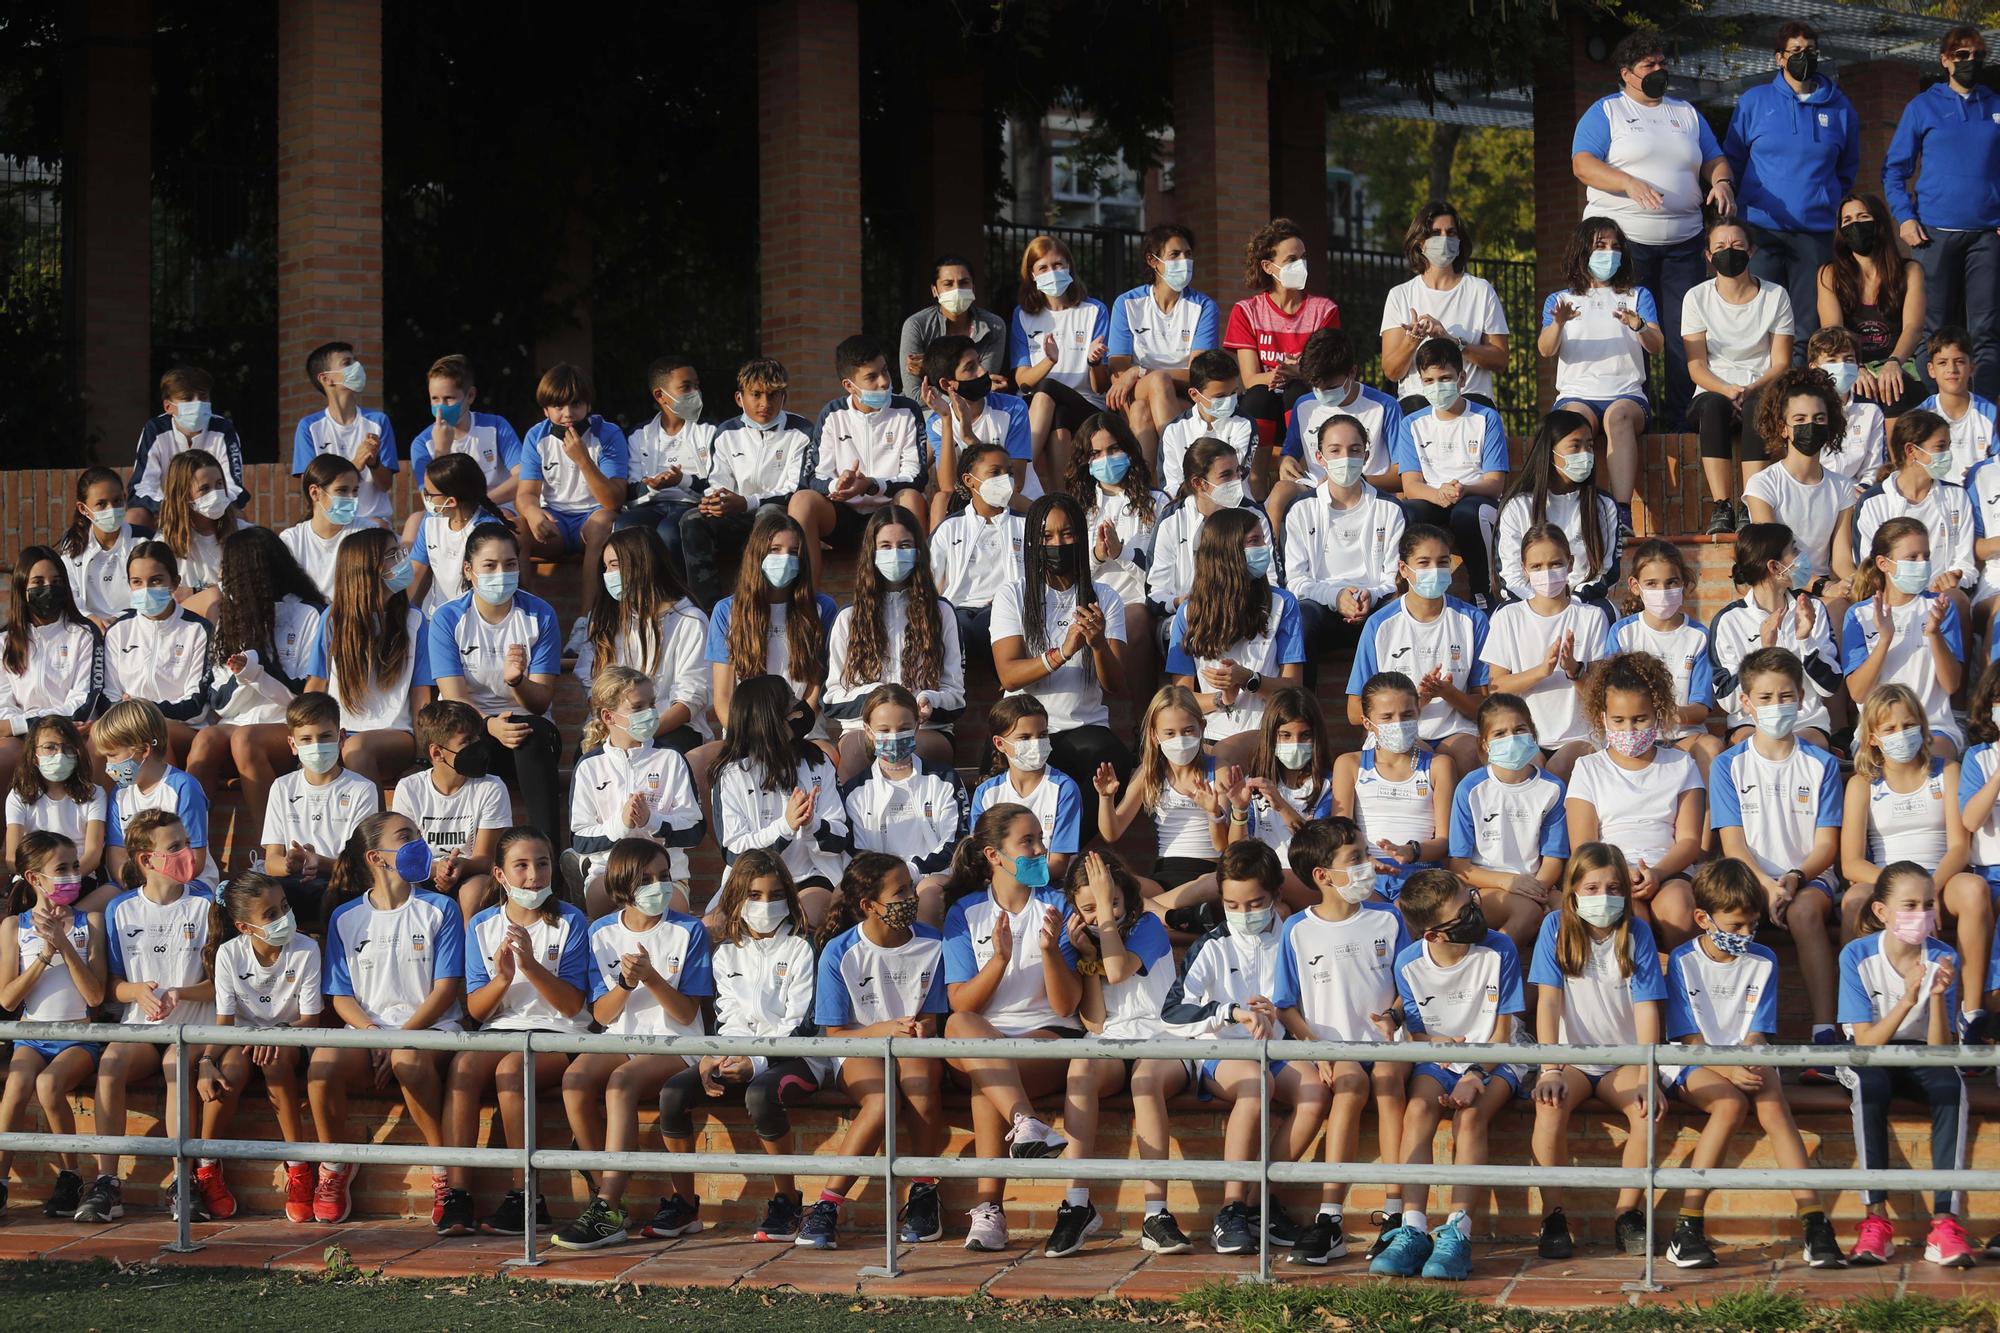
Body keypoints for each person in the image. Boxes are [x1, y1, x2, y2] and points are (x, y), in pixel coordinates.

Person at [1660, 858, 1845, 1270]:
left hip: (1745, 1057)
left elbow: (1758, 1032)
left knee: (1773, 1099)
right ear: (1702, 918)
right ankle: (1687, 1226)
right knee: (1729, 1103)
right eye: (1735, 926)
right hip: (1689, 1060)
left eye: (1752, 926)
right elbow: (1688, 1039)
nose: (1745, 935)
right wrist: (1730, 1069)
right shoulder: (1682, 962)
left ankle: (1815, 1223)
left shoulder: (1764, 960)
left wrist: (1749, 1062)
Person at [652, 850, 821, 1249]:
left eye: (776, 894)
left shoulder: (804, 945)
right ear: (736, 899)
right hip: (737, 1055)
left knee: (762, 1094)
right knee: (675, 1092)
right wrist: (715, 1057)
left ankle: (788, 1201)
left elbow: (803, 1025)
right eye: (755, 896)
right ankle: (684, 1204)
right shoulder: (726, 951)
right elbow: (724, 1018)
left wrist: (756, 1062)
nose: (766, 905)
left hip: (798, 1058)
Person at [1162, 839, 1323, 1255]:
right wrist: (1231, 1012)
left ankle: (1259, 1203)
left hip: (1281, 1049)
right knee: (1255, 1086)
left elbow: (1311, 998)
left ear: (1276, 897)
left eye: (1255, 904)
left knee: (1316, 1091)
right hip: (1226, 1055)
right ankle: (1231, 1209)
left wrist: (1284, 1013)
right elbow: (1173, 1012)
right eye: (1233, 904)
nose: (1244, 914)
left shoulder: (1297, 937)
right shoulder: (1210, 945)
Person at [1571, 29, 1737, 429]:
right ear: (1627, 73)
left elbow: (1715, 159)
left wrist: (1721, 182)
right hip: (1627, 245)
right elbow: (1582, 164)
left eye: (1662, 63)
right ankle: (1637, 417)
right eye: (1649, 65)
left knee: (1685, 337)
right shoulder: (1606, 111)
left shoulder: (1686, 113)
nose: (1659, 70)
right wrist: (1627, 182)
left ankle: (1682, 424)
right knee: (1635, 334)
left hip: (1684, 243)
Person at [309, 812, 463, 1231]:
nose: (419, 842)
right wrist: (373, 1034)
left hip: (430, 1030)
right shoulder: (345, 916)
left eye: (417, 834)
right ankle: (334, 1167)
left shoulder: (441, 908)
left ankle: (442, 1171)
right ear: (377, 857)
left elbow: (446, 990)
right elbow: (340, 996)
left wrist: (397, 1039)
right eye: (406, 836)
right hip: (369, 1033)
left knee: (408, 1060)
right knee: (323, 1063)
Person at [1371, 867, 1527, 1282]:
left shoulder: (1500, 950)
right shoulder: (1408, 962)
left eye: (1470, 897)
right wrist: (1433, 1044)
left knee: (1471, 1116)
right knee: (1418, 1110)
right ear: (1434, 935)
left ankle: (1458, 1231)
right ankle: (1413, 1228)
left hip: (1497, 1057)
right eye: (1464, 909)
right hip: (1440, 1062)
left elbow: (1504, 1034)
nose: (1475, 908)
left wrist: (1474, 1073)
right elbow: (1420, 1030)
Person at [556, 839, 712, 1247]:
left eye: (664, 876)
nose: (658, 886)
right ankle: (604, 1197)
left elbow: (684, 1014)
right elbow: (602, 1016)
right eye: (646, 880)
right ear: (623, 886)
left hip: (675, 1043)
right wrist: (626, 983)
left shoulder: (688, 929)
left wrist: (653, 978)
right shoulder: (601, 932)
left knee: (621, 1082)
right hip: (619, 1038)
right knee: (575, 1079)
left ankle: (606, 1206)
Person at [1270, 821, 1410, 1268]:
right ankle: (1330, 1218)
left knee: (1388, 1083)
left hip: (1391, 1047)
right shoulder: (1296, 929)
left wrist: (1393, 1013)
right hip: (1336, 1050)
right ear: (1322, 876)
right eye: (1355, 860)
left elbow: (1410, 983)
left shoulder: (1389, 917)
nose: (1367, 866)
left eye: (1366, 855)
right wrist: (1318, 1049)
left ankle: (1395, 1214)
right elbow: (1285, 1006)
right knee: (1348, 1089)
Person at [940, 804, 1079, 1253]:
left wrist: (1052, 950)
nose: (1041, 849)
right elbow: (961, 1002)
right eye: (1028, 842)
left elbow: (1066, 1004)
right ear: (994, 855)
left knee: (988, 1081)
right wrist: (998, 960)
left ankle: (990, 1212)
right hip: (983, 1039)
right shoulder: (964, 913)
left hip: (1048, 1034)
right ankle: (1026, 1123)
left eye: (1041, 838)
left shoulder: (1057, 905)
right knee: (962, 1025)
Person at [442, 826, 589, 1237]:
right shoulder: (483, 925)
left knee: (512, 1070)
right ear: (500, 875)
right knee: (464, 1067)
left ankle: (528, 1196)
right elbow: (476, 1008)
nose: (534, 876)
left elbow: (573, 1004)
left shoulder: (570, 921)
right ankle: (458, 1194)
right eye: (520, 866)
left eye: (541, 864)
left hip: (558, 1032)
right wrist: (503, 979)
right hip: (501, 1029)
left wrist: (531, 967)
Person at [1527, 842, 1670, 1260]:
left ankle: (1629, 1213)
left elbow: (1647, 1010)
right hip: (1570, 1059)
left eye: (1612, 887)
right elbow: (1549, 1003)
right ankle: (1553, 1216)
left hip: (1622, 1060)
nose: (1602, 897)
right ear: (1572, 890)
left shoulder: (1636, 931)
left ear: (1626, 891)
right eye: (1591, 888)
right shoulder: (1555, 927)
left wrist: (1647, 1075)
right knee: (1548, 1107)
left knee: (1646, 1109)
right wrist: (1549, 1067)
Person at [1048, 850, 1195, 1258]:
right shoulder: (1083, 940)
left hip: (1164, 1039)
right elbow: (1095, 1022)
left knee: (1145, 1082)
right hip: (1112, 1042)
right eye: (1090, 905)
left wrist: (1106, 928)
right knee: (1081, 1069)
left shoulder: (1147, 925)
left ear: (1128, 899)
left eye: (1111, 900)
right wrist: (1088, 961)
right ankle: (1077, 1203)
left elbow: (1118, 971)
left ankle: (1156, 1213)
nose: (1101, 913)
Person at [75, 809, 216, 1224]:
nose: (186, 853)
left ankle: (181, 1179)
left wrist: (180, 993)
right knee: (111, 1064)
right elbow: (113, 986)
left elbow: (219, 986)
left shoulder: (206, 905)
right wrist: (135, 991)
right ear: (145, 860)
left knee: (175, 1066)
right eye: (174, 848)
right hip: (139, 1025)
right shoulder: (121, 910)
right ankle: (107, 1183)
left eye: (186, 844)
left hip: (190, 1028)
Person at [1837, 861, 1976, 1268]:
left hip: (1920, 1051)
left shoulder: (1944, 955)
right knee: (1870, 1087)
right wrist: (1906, 998)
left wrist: (1934, 997)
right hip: (1871, 1053)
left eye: (1928, 905)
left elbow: (1939, 1050)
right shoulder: (1857, 955)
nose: (1922, 915)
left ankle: (1945, 1223)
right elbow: (1865, 1042)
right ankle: (1875, 1219)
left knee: (1951, 1089)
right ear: (1882, 911)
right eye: (1910, 905)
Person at [806, 853, 948, 1251]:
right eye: (899, 891)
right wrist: (882, 1031)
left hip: (914, 1048)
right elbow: (834, 1034)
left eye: (910, 887)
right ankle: (827, 1206)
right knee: (881, 1099)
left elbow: (936, 1016)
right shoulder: (840, 951)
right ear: (869, 906)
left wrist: (919, 1028)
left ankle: (923, 1193)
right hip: (858, 1051)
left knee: (919, 1080)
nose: (911, 897)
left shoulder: (934, 944)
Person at [1840, 684, 1992, 1027]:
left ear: (1923, 727)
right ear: (1873, 737)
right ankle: (1856, 1022)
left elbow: (1958, 846)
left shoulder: (1947, 770)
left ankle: (1970, 1013)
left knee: (1973, 890)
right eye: (1890, 729)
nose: (1901, 734)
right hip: (1885, 882)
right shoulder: (1863, 784)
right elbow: (1851, 862)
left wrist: (1928, 893)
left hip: (1943, 878)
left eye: (1908, 725)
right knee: (1853, 899)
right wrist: (1905, 895)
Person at [185, 527, 325, 859]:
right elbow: (219, 700)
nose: (223, 580)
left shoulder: (308, 614)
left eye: (230, 571)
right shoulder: (229, 619)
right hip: (238, 722)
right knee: (205, 740)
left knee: (244, 740)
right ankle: (191, 853)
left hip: (285, 724)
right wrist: (243, 671)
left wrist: (258, 670)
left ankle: (271, 855)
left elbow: (302, 698)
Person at [1722, 20, 1858, 352]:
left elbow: (1847, 169)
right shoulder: (1755, 102)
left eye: (1810, 50)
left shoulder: (1840, 108)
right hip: (1761, 231)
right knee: (1760, 316)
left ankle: (1801, 393)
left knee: (1807, 324)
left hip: (1815, 232)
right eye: (1796, 51)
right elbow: (1733, 159)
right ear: (1779, 58)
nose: (1804, 57)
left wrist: (1824, 199)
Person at [1883, 25, 2000, 402]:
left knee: (1985, 329)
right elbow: (1895, 168)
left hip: (1986, 235)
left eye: (1976, 56)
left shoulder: (1995, 105)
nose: (1970, 62)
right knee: (1931, 327)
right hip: (1933, 234)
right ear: (1945, 60)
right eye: (1961, 55)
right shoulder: (1922, 106)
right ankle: (1935, 406)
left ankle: (1983, 412)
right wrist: (1905, 217)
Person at [428, 522, 565, 843]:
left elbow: (541, 701)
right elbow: (454, 700)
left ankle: (550, 861)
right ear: (469, 570)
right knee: (462, 746)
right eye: (489, 565)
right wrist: (489, 725)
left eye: (510, 564)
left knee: (531, 736)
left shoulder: (540, 615)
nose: (500, 573)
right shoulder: (448, 618)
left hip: (529, 732)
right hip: (471, 731)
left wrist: (517, 682)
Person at [201, 872, 322, 1223]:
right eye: (270, 914)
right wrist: (207, 1060)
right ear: (244, 927)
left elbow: (310, 1021)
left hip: (292, 1038)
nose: (283, 917)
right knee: (229, 1074)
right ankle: (206, 1165)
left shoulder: (306, 949)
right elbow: (225, 1022)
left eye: (284, 906)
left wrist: (276, 1034)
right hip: (242, 1041)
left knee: (275, 1062)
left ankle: (298, 1167)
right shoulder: (229, 954)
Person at [992, 492, 1132, 794]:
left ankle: (1070, 843)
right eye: (1047, 535)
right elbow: (1009, 675)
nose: (1058, 544)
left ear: (1081, 538)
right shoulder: (1012, 595)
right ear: (1032, 542)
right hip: (1024, 728)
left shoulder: (1106, 597)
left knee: (1113, 762)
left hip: (1084, 727)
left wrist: (1098, 645)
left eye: (1068, 534)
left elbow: (1116, 684)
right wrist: (1063, 652)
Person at [1565, 652, 1705, 947]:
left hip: (1669, 871)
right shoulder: (1589, 768)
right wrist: (1619, 874)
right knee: (1629, 920)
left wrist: (1658, 872)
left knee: (1679, 911)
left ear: (1658, 714)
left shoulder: (1681, 764)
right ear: (1602, 718)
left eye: (1640, 719)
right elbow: (1583, 846)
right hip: (1609, 875)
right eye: (1618, 720)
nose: (1629, 730)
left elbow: (1690, 840)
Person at [0, 831, 105, 1222]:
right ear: (34, 879)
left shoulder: (90, 922)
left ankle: (71, 1173)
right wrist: (45, 954)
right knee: (17, 1084)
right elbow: (8, 999)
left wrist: (63, 943)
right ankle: (1, 1182)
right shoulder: (14, 927)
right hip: (32, 1035)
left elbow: (95, 996)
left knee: (48, 1084)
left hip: (78, 1036)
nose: (72, 875)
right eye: (61, 868)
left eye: (75, 866)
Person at [1538, 216, 1663, 525]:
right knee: (1573, 424)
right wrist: (1558, 323)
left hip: (1627, 396)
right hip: (1577, 394)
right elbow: (1545, 349)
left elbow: (1656, 344)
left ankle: (1622, 515)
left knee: (1617, 417)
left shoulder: (1637, 296)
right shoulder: (1560, 300)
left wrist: (1639, 325)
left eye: (1615, 246)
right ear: (1583, 251)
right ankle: (1572, 512)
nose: (1610, 253)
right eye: (1600, 245)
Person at [824, 505, 964, 779]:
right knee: (852, 752)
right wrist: (877, 696)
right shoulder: (848, 618)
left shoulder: (942, 613)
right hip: (865, 732)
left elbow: (957, 697)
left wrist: (927, 700)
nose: (895, 554)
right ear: (872, 553)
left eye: (905, 545)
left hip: (926, 731)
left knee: (915, 750)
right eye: (885, 546)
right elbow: (832, 698)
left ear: (918, 551)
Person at [1166, 507, 1305, 764]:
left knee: (1223, 757)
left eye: (1262, 540)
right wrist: (1222, 698)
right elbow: (1181, 700)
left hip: (1266, 729)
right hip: (1207, 731)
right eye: (1254, 542)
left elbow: (1294, 688)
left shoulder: (1283, 604)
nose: (1263, 548)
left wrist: (1249, 679)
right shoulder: (1189, 612)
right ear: (1227, 551)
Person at [1347, 525, 1489, 773]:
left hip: (1456, 732)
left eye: (1442, 562)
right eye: (1423, 563)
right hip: (1398, 734)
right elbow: (1353, 709)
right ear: (1404, 569)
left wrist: (1447, 693)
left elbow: (1486, 705)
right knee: (1414, 756)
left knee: (1470, 753)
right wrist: (1416, 701)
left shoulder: (1473, 620)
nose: (1434, 571)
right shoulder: (1380, 624)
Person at [1686, 220, 1797, 533]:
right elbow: (1696, 366)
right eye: (1720, 247)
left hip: (1761, 389)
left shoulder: (1776, 296)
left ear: (1752, 250)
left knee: (1756, 407)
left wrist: (1748, 389)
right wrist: (1726, 389)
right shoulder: (1696, 298)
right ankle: (1722, 507)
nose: (1728, 252)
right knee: (1713, 407)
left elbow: (1780, 363)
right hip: (1711, 392)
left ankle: (1751, 502)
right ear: (1708, 255)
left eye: (1736, 245)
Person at [790, 335, 930, 583]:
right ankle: (806, 604)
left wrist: (872, 484)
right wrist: (838, 485)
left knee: (912, 498)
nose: (884, 382)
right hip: (843, 517)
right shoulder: (832, 414)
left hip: (891, 513)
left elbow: (916, 477)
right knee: (802, 501)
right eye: (871, 377)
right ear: (849, 385)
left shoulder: (908, 409)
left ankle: (918, 592)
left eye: (885, 371)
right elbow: (812, 477)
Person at [700, 508, 838, 757]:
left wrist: (792, 730)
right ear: (758, 553)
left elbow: (816, 686)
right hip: (744, 732)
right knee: (697, 763)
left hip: (804, 729)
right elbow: (723, 696)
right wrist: (747, 736)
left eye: (793, 552)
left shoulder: (822, 608)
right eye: (775, 550)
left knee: (832, 757)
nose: (785, 559)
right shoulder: (726, 611)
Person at [568, 667, 706, 911]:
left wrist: (652, 821)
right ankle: (584, 877)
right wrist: (621, 824)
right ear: (609, 717)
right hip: (610, 873)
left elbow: (694, 830)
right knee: (612, 911)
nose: (651, 713)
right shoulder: (589, 766)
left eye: (652, 704)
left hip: (666, 876)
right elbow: (580, 839)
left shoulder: (671, 758)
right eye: (638, 707)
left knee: (669, 916)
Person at [1097, 684, 1248, 908]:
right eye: (1170, 733)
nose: (1180, 739)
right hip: (1163, 875)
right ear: (1154, 735)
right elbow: (1112, 832)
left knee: (1215, 883)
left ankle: (1148, 911)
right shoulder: (1149, 772)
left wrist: (1212, 812)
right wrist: (1106, 798)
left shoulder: (1219, 770)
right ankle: (1167, 915)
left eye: (1188, 730)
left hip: (1208, 874)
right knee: (1107, 880)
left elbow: (1226, 847)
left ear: (1202, 727)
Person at [680, 357, 813, 609]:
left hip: (776, 516)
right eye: (757, 394)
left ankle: (758, 603)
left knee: (768, 513)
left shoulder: (802, 431)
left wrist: (746, 502)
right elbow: (716, 480)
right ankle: (708, 611)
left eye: (774, 395)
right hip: (735, 515)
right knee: (692, 519)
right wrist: (715, 501)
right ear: (740, 398)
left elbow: (796, 489)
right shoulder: (726, 433)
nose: (766, 403)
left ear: (784, 397)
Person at [710, 676, 849, 916]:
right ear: (768, 719)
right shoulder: (731, 774)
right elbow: (735, 853)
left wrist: (811, 823)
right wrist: (785, 826)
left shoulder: (817, 761)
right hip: (751, 880)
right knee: (712, 928)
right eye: (791, 703)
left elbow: (840, 837)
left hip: (811, 875)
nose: (800, 708)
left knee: (810, 915)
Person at [1479, 524, 1609, 779]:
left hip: (1579, 736)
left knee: (1558, 769)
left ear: (1570, 564)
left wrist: (1574, 670)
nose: (1546, 573)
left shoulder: (1591, 617)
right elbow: (1495, 688)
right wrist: (1541, 671)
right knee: (1531, 769)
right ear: (1524, 568)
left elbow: (1600, 696)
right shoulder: (1508, 617)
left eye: (1555, 564)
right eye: (1537, 566)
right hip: (1524, 736)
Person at [304, 526, 432, 784]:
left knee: (356, 748)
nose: (402, 560)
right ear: (367, 568)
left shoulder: (416, 621)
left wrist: (421, 758)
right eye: (392, 554)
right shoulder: (332, 619)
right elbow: (317, 684)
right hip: (338, 732)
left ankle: (377, 826)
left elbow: (422, 698)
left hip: (397, 733)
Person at [1282, 412, 1405, 678]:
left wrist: (1368, 597)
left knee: (1401, 612)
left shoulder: (1390, 509)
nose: (1345, 458)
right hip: (1320, 608)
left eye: (1355, 449)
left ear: (1366, 455)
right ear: (1320, 457)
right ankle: (1304, 711)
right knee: (1300, 618)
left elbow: (1392, 579)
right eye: (1335, 451)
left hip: (1373, 607)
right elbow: (1296, 581)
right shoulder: (1301, 510)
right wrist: (1337, 598)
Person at [516, 363, 628, 649]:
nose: (567, 413)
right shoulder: (536, 436)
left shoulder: (608, 433)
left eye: (575, 404)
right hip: (555, 524)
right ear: (545, 410)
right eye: (557, 405)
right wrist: (532, 513)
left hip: (591, 518)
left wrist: (583, 460)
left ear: (588, 404)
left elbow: (614, 499)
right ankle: (525, 621)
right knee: (515, 529)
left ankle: (585, 624)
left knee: (603, 522)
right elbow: (526, 493)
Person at [1446, 693, 1567, 953]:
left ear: (1533, 733)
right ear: (1484, 743)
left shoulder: (1552, 788)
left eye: (1519, 729)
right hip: (1484, 888)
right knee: (1528, 912)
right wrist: (1508, 882)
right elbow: (1459, 866)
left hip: (1538, 886)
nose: (1511, 738)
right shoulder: (1470, 788)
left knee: (1572, 914)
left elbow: (1554, 858)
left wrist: (1538, 888)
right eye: (1500, 734)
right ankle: (1489, 965)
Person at [1392, 339, 1509, 604]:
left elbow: (1495, 483)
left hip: (1474, 498)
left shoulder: (1486, 418)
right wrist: (1438, 494)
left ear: (1462, 378)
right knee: (1406, 512)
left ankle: (1485, 593)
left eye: (1445, 378)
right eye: (1429, 380)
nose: (1437, 387)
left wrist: (1464, 489)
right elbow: (1411, 486)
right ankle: (1408, 593)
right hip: (1432, 497)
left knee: (1469, 514)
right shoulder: (1412, 423)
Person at [577, 527, 712, 754]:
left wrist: (642, 732)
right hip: (613, 729)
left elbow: (691, 697)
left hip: (672, 730)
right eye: (606, 566)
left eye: (616, 565)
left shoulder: (689, 620)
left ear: (643, 565)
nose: (609, 574)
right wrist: (619, 729)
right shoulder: (603, 619)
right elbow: (593, 684)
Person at [1707, 526, 1841, 750]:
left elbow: (1830, 686)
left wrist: (1805, 639)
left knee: (1805, 748)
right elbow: (1728, 701)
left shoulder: (1812, 608)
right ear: (1774, 566)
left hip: (1805, 721)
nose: (1801, 556)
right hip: (1750, 723)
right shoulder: (1729, 621)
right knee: (1752, 747)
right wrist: (1762, 650)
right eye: (1794, 550)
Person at [1842, 516, 1966, 757]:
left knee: (1927, 757)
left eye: (1926, 556)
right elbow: (1858, 692)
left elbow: (1951, 684)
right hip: (1878, 732)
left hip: (1934, 728)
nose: (1922, 563)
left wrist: (1934, 633)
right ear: (1883, 563)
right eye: (1912, 557)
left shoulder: (1941, 608)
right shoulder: (1859, 615)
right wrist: (1885, 640)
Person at [257, 692, 382, 925]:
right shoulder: (282, 787)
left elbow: (362, 868)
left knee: (331, 898)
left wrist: (319, 863)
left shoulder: (362, 789)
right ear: (292, 744)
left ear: (341, 738)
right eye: (306, 739)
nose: (317, 747)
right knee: (243, 895)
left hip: (339, 884)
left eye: (325, 737)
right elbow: (271, 861)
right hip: (292, 884)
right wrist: (287, 864)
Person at [1105, 222, 1222, 467]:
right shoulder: (1127, 304)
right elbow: (1117, 376)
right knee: (1157, 382)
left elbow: (1199, 375)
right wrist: (1145, 377)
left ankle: (1149, 491)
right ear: (1153, 261)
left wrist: (1140, 371)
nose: (1184, 261)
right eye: (1175, 254)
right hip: (1135, 390)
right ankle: (1181, 469)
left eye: (1188, 254)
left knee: (1141, 412)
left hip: (1183, 394)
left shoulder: (1204, 307)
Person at [1379, 202, 1511, 414]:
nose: (1444, 239)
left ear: (1460, 240)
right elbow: (1391, 371)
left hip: (1471, 401)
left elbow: (1501, 359)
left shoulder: (1480, 290)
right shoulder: (1400, 295)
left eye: (1451, 233)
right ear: (1420, 242)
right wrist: (1412, 340)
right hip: (1419, 403)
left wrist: (1453, 342)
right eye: (1435, 233)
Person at [840, 685, 966, 907]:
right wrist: (889, 879)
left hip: (933, 877)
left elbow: (956, 841)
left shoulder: (944, 780)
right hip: (877, 885)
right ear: (868, 731)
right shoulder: (855, 791)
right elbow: (856, 851)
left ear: (918, 726)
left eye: (903, 728)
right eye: (884, 730)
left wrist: (913, 871)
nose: (894, 737)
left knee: (929, 894)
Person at [1847, 413, 1976, 629]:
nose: (1948, 455)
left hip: (1943, 599)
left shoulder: (1957, 496)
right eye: (1940, 447)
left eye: (1948, 446)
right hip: (1890, 602)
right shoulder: (1873, 502)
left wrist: (1955, 579)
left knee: (1958, 600)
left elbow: (1966, 564)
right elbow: (1870, 568)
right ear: (1911, 451)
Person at [1334, 671, 1454, 901]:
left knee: (1406, 913)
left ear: (1418, 712)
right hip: (1365, 871)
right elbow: (1341, 834)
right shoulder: (1349, 764)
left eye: (1407, 714)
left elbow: (1444, 842)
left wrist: (1411, 851)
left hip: (1422, 874)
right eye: (1387, 717)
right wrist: (1363, 860)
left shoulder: (1440, 766)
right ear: (1367, 723)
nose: (1398, 724)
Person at [1743, 367, 1853, 614]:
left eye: (1819, 418)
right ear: (1783, 428)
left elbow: (1842, 559)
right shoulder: (1763, 484)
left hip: (1827, 589)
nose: (1811, 426)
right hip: (1779, 588)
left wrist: (1856, 583)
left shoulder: (1842, 486)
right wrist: (1822, 587)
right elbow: (1773, 557)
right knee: (1836, 611)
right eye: (1800, 419)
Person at [1225, 217, 1340, 451]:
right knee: (1258, 396)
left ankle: (1298, 464)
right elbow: (1249, 378)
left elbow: (1328, 371)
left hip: (1308, 402)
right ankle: (1255, 481)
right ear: (1268, 267)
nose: (1301, 264)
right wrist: (1281, 373)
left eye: (1303, 258)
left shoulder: (1324, 310)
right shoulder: (1246, 311)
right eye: (1291, 259)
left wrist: (1297, 373)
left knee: (1297, 391)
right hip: (1264, 403)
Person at [390, 699, 509, 923]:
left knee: (474, 891)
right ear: (437, 753)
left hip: (472, 875)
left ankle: (469, 956)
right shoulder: (410, 788)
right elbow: (405, 855)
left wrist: (460, 866)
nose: (478, 747)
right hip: (424, 873)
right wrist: (438, 870)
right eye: (467, 742)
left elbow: (486, 858)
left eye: (477, 739)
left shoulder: (491, 787)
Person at [1611, 540, 1722, 774]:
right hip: (1636, 736)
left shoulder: (1699, 636)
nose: (1662, 592)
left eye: (1671, 582)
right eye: (1652, 584)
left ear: (1684, 584)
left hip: (1684, 737)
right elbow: (1610, 693)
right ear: (1635, 585)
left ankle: (1708, 813)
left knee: (1712, 747)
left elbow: (1701, 708)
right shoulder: (1623, 633)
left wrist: (1667, 716)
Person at [0, 548, 105, 792]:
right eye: (38, 582)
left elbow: (82, 705)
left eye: (56, 582)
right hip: (22, 739)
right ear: (22, 588)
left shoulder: (85, 634)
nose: (48, 587)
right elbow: (4, 707)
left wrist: (21, 725)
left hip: (73, 733)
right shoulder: (5, 641)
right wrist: (24, 730)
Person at [1066, 414, 1168, 667]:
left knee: (1132, 621)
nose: (1106, 459)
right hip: (1088, 603)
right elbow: (1066, 573)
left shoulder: (1158, 503)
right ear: (1085, 460)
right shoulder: (1075, 508)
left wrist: (1122, 552)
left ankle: (1140, 706)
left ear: (1129, 450)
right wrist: (1097, 555)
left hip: (1137, 601)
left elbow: (1162, 573)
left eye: (1113, 449)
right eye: (1096, 453)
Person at [1011, 235, 1112, 486]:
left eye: (1058, 265)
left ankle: (1022, 470)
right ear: (1032, 275)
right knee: (1057, 413)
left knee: (1047, 389)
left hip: (1087, 404)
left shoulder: (1094, 310)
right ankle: (1062, 498)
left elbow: (1100, 387)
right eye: (1043, 268)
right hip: (1043, 408)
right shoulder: (1023, 316)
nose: (1052, 272)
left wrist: (1094, 362)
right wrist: (1049, 362)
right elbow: (1023, 382)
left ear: (1070, 268)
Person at [1495, 410, 1621, 608]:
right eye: (1575, 446)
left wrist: (1573, 602)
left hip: (1583, 606)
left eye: (1589, 446)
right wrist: (1542, 605)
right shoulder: (1517, 506)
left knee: (1607, 611)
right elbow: (1510, 577)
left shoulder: (1604, 506)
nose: (1585, 455)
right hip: (1529, 606)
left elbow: (1607, 572)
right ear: (1550, 451)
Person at [1816, 194, 1928, 416]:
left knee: (1896, 390)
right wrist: (1854, 368)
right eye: (1847, 221)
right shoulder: (1829, 274)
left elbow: (1913, 328)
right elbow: (1834, 333)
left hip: (1899, 362)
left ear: (1879, 223)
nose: (1855, 224)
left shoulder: (1910, 271)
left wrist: (1893, 362)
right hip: (1849, 365)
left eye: (1863, 216)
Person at [1145, 436, 1274, 618]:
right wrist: (1181, 602)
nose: (1237, 480)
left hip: (1247, 612)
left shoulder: (1254, 514)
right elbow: (1155, 595)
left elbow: (1273, 579)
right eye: (1226, 475)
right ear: (1198, 483)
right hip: (1188, 619)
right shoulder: (1171, 520)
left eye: (1238, 472)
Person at [105, 541, 213, 756]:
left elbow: (196, 708)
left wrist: (143, 710)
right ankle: (101, 792)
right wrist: (133, 716)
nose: (146, 590)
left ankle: (170, 790)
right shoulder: (118, 631)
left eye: (155, 581)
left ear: (175, 582)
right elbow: (109, 696)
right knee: (99, 741)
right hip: (125, 726)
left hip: (183, 729)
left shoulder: (198, 629)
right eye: (137, 582)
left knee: (152, 736)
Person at [93, 698, 215, 885]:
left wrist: (153, 890)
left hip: (188, 884)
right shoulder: (120, 794)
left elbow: (196, 859)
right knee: (96, 910)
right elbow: (116, 855)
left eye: (113, 755)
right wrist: (135, 889)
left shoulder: (183, 787)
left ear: (144, 750)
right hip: (136, 886)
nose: (109, 766)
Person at [919, 333, 1036, 528]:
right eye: (970, 368)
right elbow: (948, 487)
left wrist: (969, 438)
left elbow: (1015, 482)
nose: (983, 372)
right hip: (973, 504)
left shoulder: (1013, 408)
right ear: (947, 384)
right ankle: (935, 558)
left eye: (979, 362)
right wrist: (947, 420)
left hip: (1015, 502)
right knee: (940, 500)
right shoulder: (937, 423)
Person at [972, 695, 1084, 898]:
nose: (1036, 743)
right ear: (999, 743)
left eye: (1042, 735)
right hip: (998, 891)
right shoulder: (985, 793)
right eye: (1024, 738)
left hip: (1051, 889)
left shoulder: (1064, 788)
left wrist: (1013, 881)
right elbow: (980, 855)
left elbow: (1058, 864)